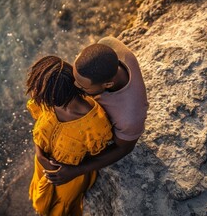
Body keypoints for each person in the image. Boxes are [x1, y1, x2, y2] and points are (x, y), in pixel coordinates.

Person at [44, 36, 149, 185]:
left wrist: (75, 171)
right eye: (75, 78)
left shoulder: (129, 117)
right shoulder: (109, 44)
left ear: (108, 84)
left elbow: (123, 149)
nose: (75, 86)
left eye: (82, 87)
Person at [26, 55, 113, 215]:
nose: (36, 96)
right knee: (42, 200)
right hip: (42, 167)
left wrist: (73, 171)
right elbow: (40, 131)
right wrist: (40, 156)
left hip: (67, 180)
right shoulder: (48, 103)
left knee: (62, 209)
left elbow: (100, 157)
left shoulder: (93, 124)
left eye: (42, 94)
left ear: (57, 96)